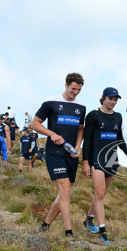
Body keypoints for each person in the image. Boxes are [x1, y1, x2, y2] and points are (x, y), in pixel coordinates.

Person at [30, 73, 86, 237]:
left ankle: (45, 224)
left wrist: (78, 146)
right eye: (73, 89)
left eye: (79, 90)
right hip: (55, 153)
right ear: (66, 85)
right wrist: (51, 134)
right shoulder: (51, 102)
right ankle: (68, 232)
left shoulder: (81, 106)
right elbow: (34, 124)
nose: (75, 93)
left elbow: (81, 128)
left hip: (71, 155)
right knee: (65, 191)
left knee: (64, 193)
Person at [82, 87, 127, 245]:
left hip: (111, 160)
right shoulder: (93, 115)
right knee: (100, 193)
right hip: (96, 159)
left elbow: (119, 138)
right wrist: (85, 162)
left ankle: (88, 220)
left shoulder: (118, 117)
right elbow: (87, 140)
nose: (113, 102)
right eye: (110, 98)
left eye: (116, 99)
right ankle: (103, 231)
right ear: (103, 98)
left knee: (101, 194)